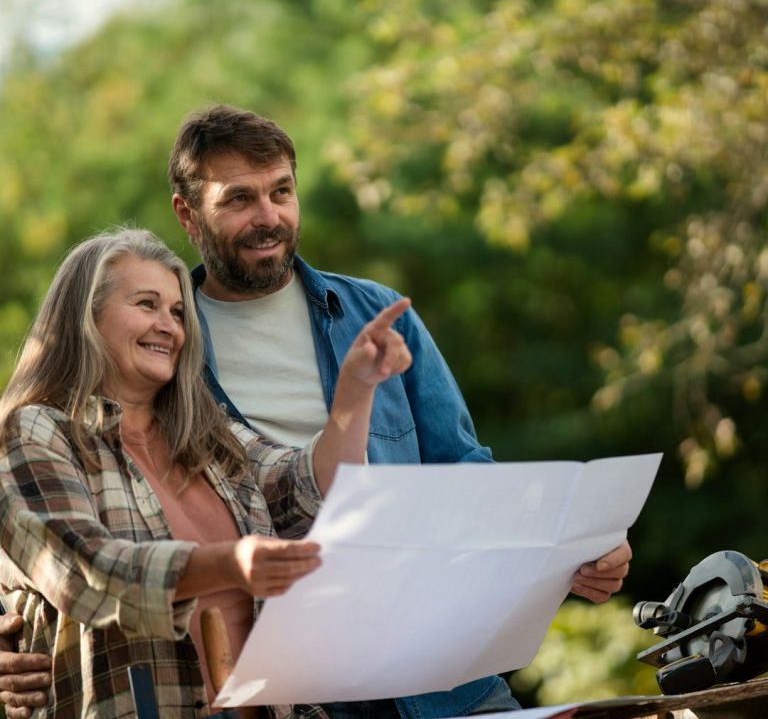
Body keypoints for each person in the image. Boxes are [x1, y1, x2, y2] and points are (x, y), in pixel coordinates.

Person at [0, 105, 632, 718]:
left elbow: (421, 477)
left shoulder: (364, 321)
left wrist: (566, 549)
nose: (267, 216)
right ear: (188, 215)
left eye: (281, 192)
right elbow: (55, 547)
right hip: (303, 686)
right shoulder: (135, 397)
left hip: (433, 663)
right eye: (239, 198)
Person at [0, 226, 412, 718]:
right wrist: (229, 562)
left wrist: (355, 391)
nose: (170, 326)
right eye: (146, 305)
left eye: (177, 312)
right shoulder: (36, 431)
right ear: (85, 317)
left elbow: (309, 490)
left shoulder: (207, 434)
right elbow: (84, 573)